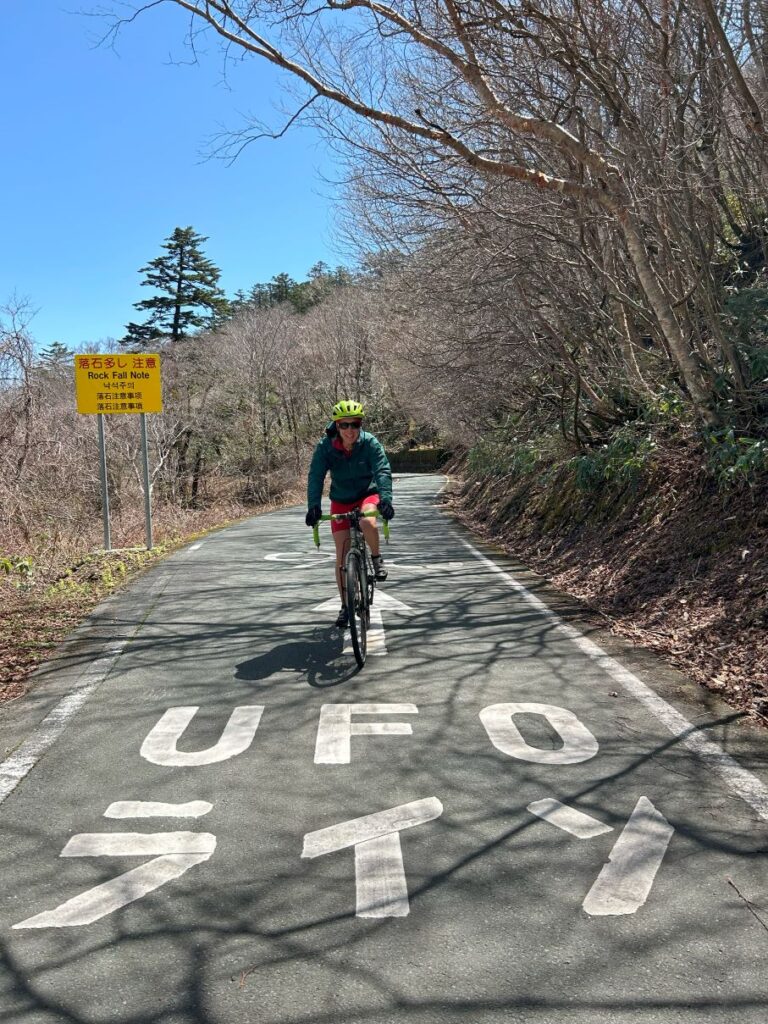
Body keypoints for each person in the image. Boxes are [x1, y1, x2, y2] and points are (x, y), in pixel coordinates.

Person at [305, 400, 395, 627]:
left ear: (360, 424)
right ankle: (345, 606)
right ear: (336, 426)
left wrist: (386, 499)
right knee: (341, 554)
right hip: (341, 499)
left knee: (367, 522)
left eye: (354, 424)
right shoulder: (325, 446)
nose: (350, 430)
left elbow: (382, 470)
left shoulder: (370, 443)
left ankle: (376, 558)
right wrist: (313, 506)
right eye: (344, 425)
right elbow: (316, 475)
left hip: (368, 494)